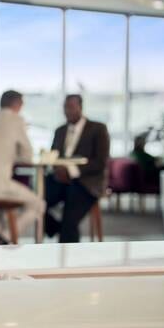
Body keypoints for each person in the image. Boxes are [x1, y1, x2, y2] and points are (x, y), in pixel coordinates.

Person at [0, 90, 44, 244]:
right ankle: (4, 237)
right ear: (18, 104)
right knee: (38, 204)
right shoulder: (16, 120)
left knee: (4, 205)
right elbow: (27, 156)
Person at [45, 94, 110, 243]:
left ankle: (68, 257)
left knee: (70, 219)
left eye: (71, 107)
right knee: (36, 201)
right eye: (65, 107)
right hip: (60, 180)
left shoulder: (98, 129)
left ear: (80, 108)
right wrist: (57, 169)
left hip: (86, 182)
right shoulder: (59, 130)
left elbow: (100, 162)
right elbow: (53, 156)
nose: (67, 111)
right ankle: (55, 227)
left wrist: (71, 171)